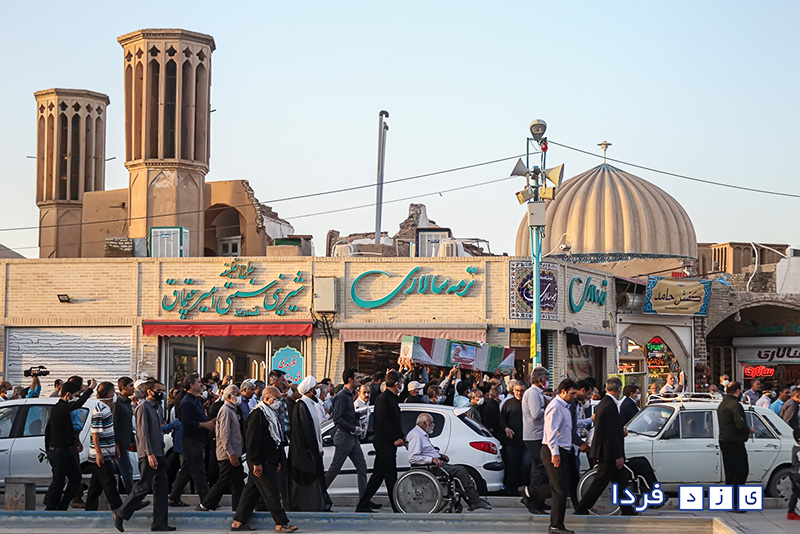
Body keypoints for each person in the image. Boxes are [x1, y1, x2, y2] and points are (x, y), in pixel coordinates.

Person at [230, 387, 298, 533]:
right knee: (272, 492)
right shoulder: (258, 414)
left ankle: (238, 522)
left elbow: (275, 439)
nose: (278, 402)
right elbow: (252, 441)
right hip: (262, 461)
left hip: (269, 460)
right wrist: (256, 462)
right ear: (267, 398)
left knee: (251, 492)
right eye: (276, 399)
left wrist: (278, 459)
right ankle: (281, 523)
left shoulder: (270, 414)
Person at [113, 380, 175, 532]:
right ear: (149, 391)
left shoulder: (158, 408)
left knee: (162, 489)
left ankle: (160, 522)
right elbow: (143, 433)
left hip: (159, 452)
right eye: (159, 390)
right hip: (149, 454)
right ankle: (121, 513)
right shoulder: (143, 408)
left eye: (163, 390)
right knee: (144, 486)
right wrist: (149, 454)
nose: (162, 393)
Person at [523, 379, 578, 534]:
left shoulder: (565, 407)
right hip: (554, 450)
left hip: (563, 450)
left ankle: (530, 492)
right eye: (572, 393)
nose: (574, 396)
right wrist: (555, 453)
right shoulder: (555, 407)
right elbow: (550, 431)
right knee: (559, 491)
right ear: (563, 392)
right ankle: (555, 526)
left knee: (561, 488)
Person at [407, 413, 491, 511]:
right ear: (424, 423)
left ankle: (472, 499)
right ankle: (474, 500)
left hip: (434, 464)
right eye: (431, 423)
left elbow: (425, 451)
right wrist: (432, 459)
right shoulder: (416, 436)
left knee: (460, 472)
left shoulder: (422, 434)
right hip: (429, 467)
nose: (433, 425)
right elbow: (413, 457)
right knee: (460, 470)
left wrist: (439, 455)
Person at [574, 377, 632, 516]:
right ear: (619, 390)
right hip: (608, 452)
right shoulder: (610, 406)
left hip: (606, 450)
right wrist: (618, 455)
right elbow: (611, 434)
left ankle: (627, 509)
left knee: (620, 480)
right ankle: (582, 507)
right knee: (600, 482)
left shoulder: (603, 403)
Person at [356, 370, 404, 513]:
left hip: (388, 442)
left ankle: (362, 505)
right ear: (396, 384)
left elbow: (395, 421)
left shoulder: (393, 398)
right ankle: (397, 508)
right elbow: (383, 423)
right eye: (401, 382)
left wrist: (402, 436)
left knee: (378, 476)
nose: (402, 385)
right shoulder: (383, 398)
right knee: (391, 476)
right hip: (384, 442)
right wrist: (395, 438)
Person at [44, 378, 96, 510]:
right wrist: (90, 389)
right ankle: (50, 508)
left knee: (76, 478)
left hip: (67, 450)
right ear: (68, 395)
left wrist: (76, 441)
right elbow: (78, 404)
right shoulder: (60, 408)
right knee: (59, 481)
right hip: (59, 451)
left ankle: (62, 505)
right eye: (75, 395)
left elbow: (53, 431)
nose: (76, 397)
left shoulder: (62, 409)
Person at [325, 368, 372, 505]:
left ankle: (364, 501)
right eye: (357, 378)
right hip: (344, 437)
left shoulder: (349, 395)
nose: (359, 380)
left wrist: (358, 415)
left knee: (362, 467)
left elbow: (347, 416)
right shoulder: (341, 396)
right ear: (350, 380)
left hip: (352, 438)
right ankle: (319, 493)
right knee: (335, 468)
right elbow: (337, 419)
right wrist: (353, 428)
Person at [168, 373, 216, 507]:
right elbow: (186, 422)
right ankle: (207, 500)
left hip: (198, 440)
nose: (201, 384)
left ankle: (174, 497)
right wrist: (203, 425)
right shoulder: (187, 402)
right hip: (191, 441)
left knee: (187, 470)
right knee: (199, 471)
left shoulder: (196, 400)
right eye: (198, 382)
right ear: (191, 385)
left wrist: (210, 421)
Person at [197, 385, 245, 512]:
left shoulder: (233, 410)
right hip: (228, 454)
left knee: (238, 482)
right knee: (223, 480)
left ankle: (239, 509)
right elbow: (224, 435)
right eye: (237, 394)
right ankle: (206, 504)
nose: (239, 397)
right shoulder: (226, 411)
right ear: (229, 396)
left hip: (235, 452)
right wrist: (231, 453)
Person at [288, 376, 330, 511]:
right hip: (305, 453)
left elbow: (316, 429)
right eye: (316, 388)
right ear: (311, 390)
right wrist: (314, 449)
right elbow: (306, 432)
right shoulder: (302, 405)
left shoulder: (310, 404)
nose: (318, 391)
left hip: (314, 450)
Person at [717, 381, 754, 513]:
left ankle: (728, 502)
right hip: (734, 441)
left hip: (725, 440)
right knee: (741, 471)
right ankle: (737, 502)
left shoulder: (723, 404)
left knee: (730, 472)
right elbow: (740, 424)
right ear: (738, 391)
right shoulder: (735, 405)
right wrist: (749, 429)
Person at [86, 382, 123, 511]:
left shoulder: (106, 409)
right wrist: (99, 453)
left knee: (96, 485)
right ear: (109, 394)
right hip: (102, 452)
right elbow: (95, 433)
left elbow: (108, 431)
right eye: (113, 392)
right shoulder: (100, 410)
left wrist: (115, 446)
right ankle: (119, 507)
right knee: (109, 481)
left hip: (107, 450)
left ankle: (90, 509)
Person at [521, 366, 549, 514]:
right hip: (534, 435)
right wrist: (548, 407)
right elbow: (536, 414)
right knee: (540, 467)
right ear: (540, 379)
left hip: (539, 434)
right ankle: (531, 497)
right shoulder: (532, 393)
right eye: (546, 379)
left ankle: (538, 499)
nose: (547, 382)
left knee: (538, 468)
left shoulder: (539, 393)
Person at [500, 381, 530, 495]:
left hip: (527, 442)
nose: (519, 393)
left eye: (521, 391)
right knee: (512, 467)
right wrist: (506, 428)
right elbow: (502, 420)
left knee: (526, 466)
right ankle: (512, 490)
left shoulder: (529, 402)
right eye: (517, 390)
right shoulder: (508, 403)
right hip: (512, 442)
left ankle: (525, 489)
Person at [114, 376, 136, 494]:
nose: (133, 389)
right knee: (127, 470)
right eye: (131, 386)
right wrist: (116, 444)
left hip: (126, 441)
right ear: (123, 387)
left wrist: (132, 439)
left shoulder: (128, 402)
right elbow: (115, 424)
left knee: (116, 471)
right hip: (120, 443)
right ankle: (132, 497)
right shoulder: (118, 403)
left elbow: (128, 424)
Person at [787, 427, 800, 521]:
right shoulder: (798, 450)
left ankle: (790, 512)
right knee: (796, 494)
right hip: (798, 475)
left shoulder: (795, 447)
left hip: (794, 474)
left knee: (795, 494)